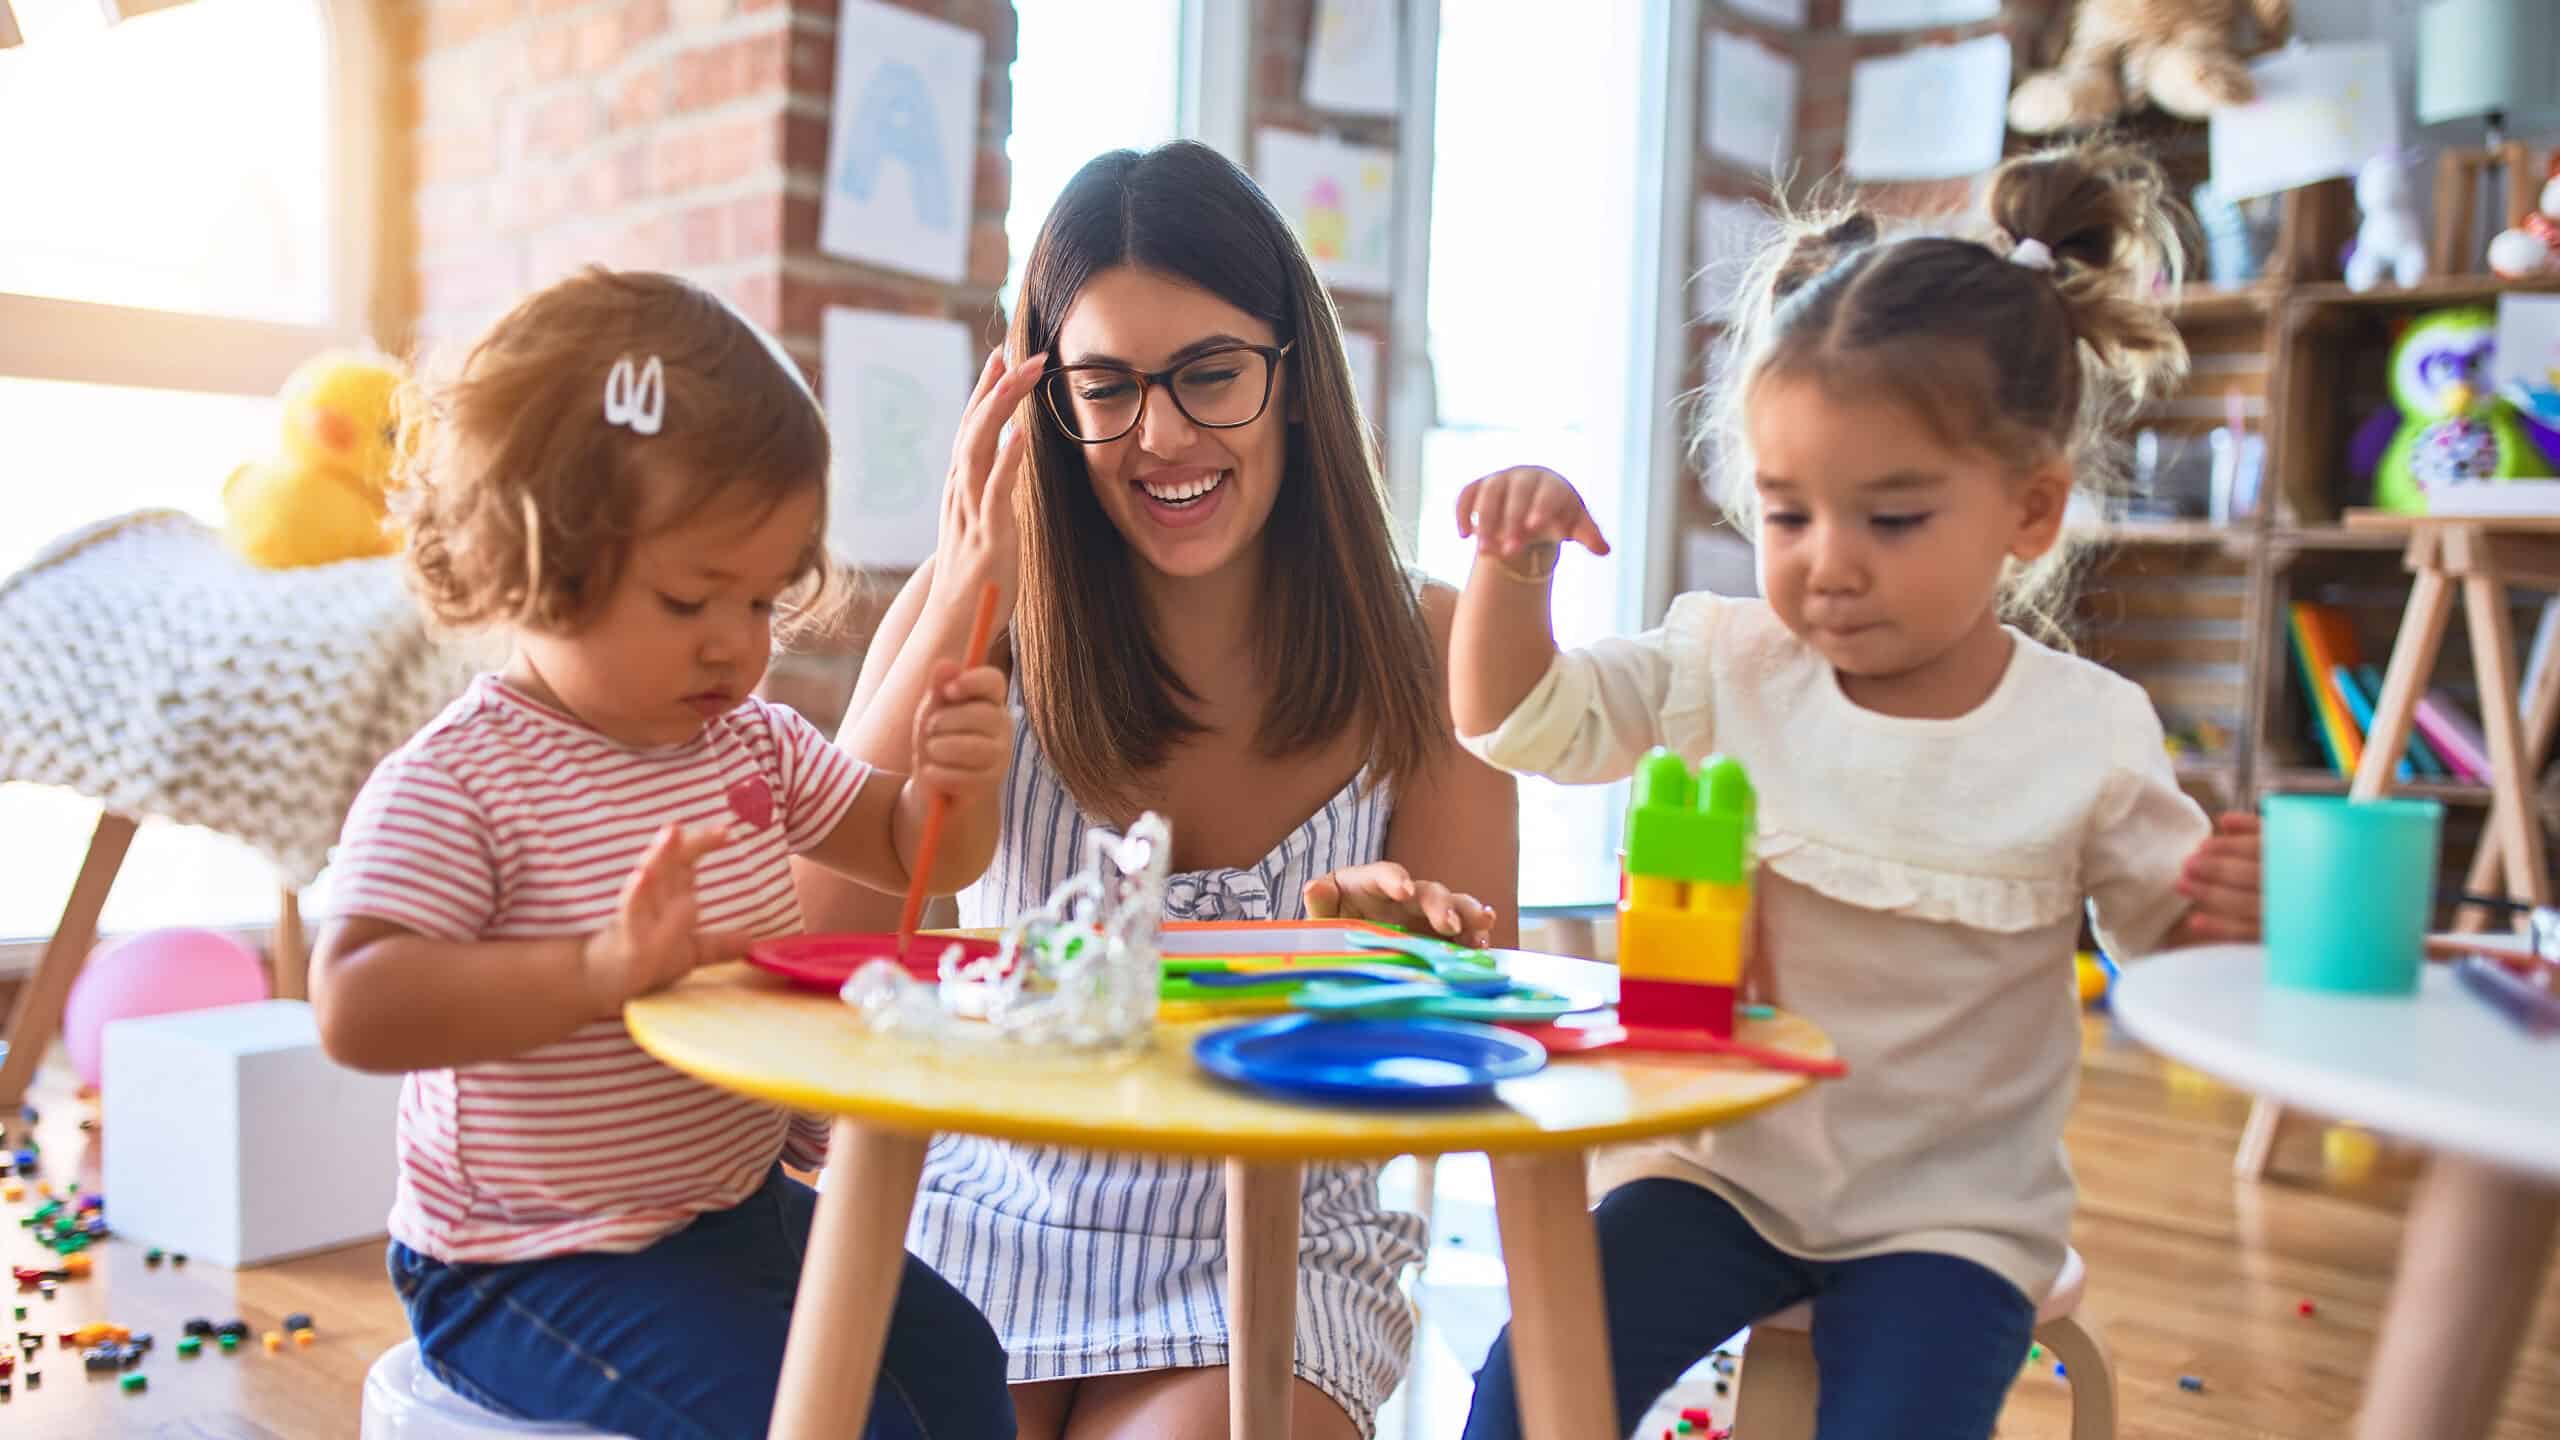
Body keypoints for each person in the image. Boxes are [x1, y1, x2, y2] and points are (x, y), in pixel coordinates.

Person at [1447, 143, 2264, 1440]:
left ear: (2031, 510)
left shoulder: (2088, 734)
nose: (1828, 567)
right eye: (1787, 517)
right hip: (1717, 1174)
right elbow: (1516, 720)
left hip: (1951, 1221)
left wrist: (2228, 909)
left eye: (1890, 521)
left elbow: (2177, 965)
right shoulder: (1728, 661)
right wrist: (1511, 572)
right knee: (1525, 1385)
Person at [799, 141, 1519, 1440]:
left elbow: (1478, 1026)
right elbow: (814, 944)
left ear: (1295, 381)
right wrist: (970, 578)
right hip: (988, 1198)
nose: (1163, 435)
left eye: (1210, 375)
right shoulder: (979, 609)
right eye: (1106, 388)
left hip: (1282, 1237)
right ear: (1039, 406)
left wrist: (1397, 951)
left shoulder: (1429, 649)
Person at [310, 267, 1019, 1440]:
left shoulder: (755, 747)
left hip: (731, 1211)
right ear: (538, 560)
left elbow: (914, 853)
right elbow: (354, 1006)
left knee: (959, 1368)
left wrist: (961, 783)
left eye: (762, 599)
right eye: (694, 599)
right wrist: (595, 970)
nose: (737, 647)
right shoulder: (463, 780)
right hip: (526, 1266)